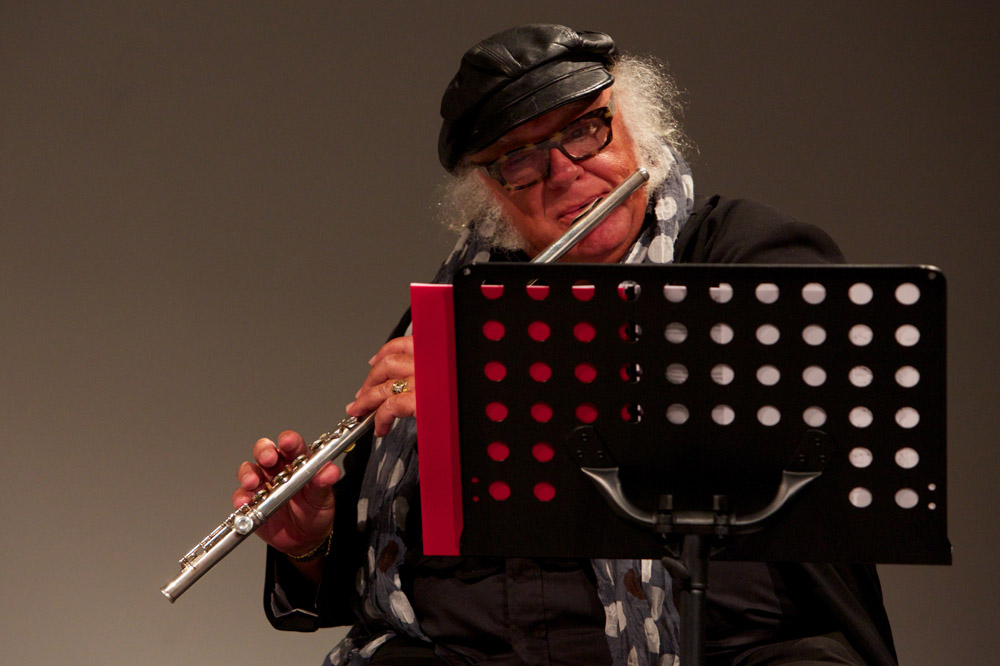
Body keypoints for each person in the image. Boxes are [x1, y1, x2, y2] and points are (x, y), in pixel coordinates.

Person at [234, 24, 897, 666]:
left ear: (636, 128)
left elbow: (763, 454)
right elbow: (396, 557)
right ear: (493, 190)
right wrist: (311, 544)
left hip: (726, 645)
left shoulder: (751, 256)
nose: (564, 171)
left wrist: (498, 386)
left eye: (583, 129)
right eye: (520, 159)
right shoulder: (461, 306)